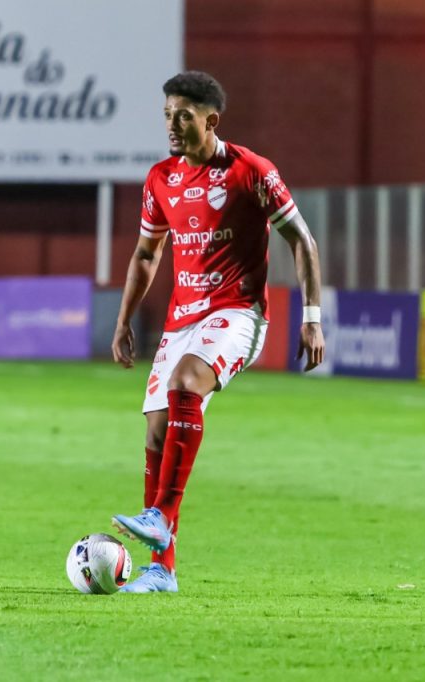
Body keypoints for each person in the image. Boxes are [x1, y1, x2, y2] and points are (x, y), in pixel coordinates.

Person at [110, 71, 325, 593]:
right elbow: (145, 254)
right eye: (167, 115)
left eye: (183, 115)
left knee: (187, 381)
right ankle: (162, 570)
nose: (173, 125)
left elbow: (302, 240)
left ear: (211, 119)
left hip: (237, 312)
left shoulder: (250, 170)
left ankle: (159, 514)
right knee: (157, 432)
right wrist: (123, 320)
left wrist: (312, 318)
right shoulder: (161, 178)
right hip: (180, 320)